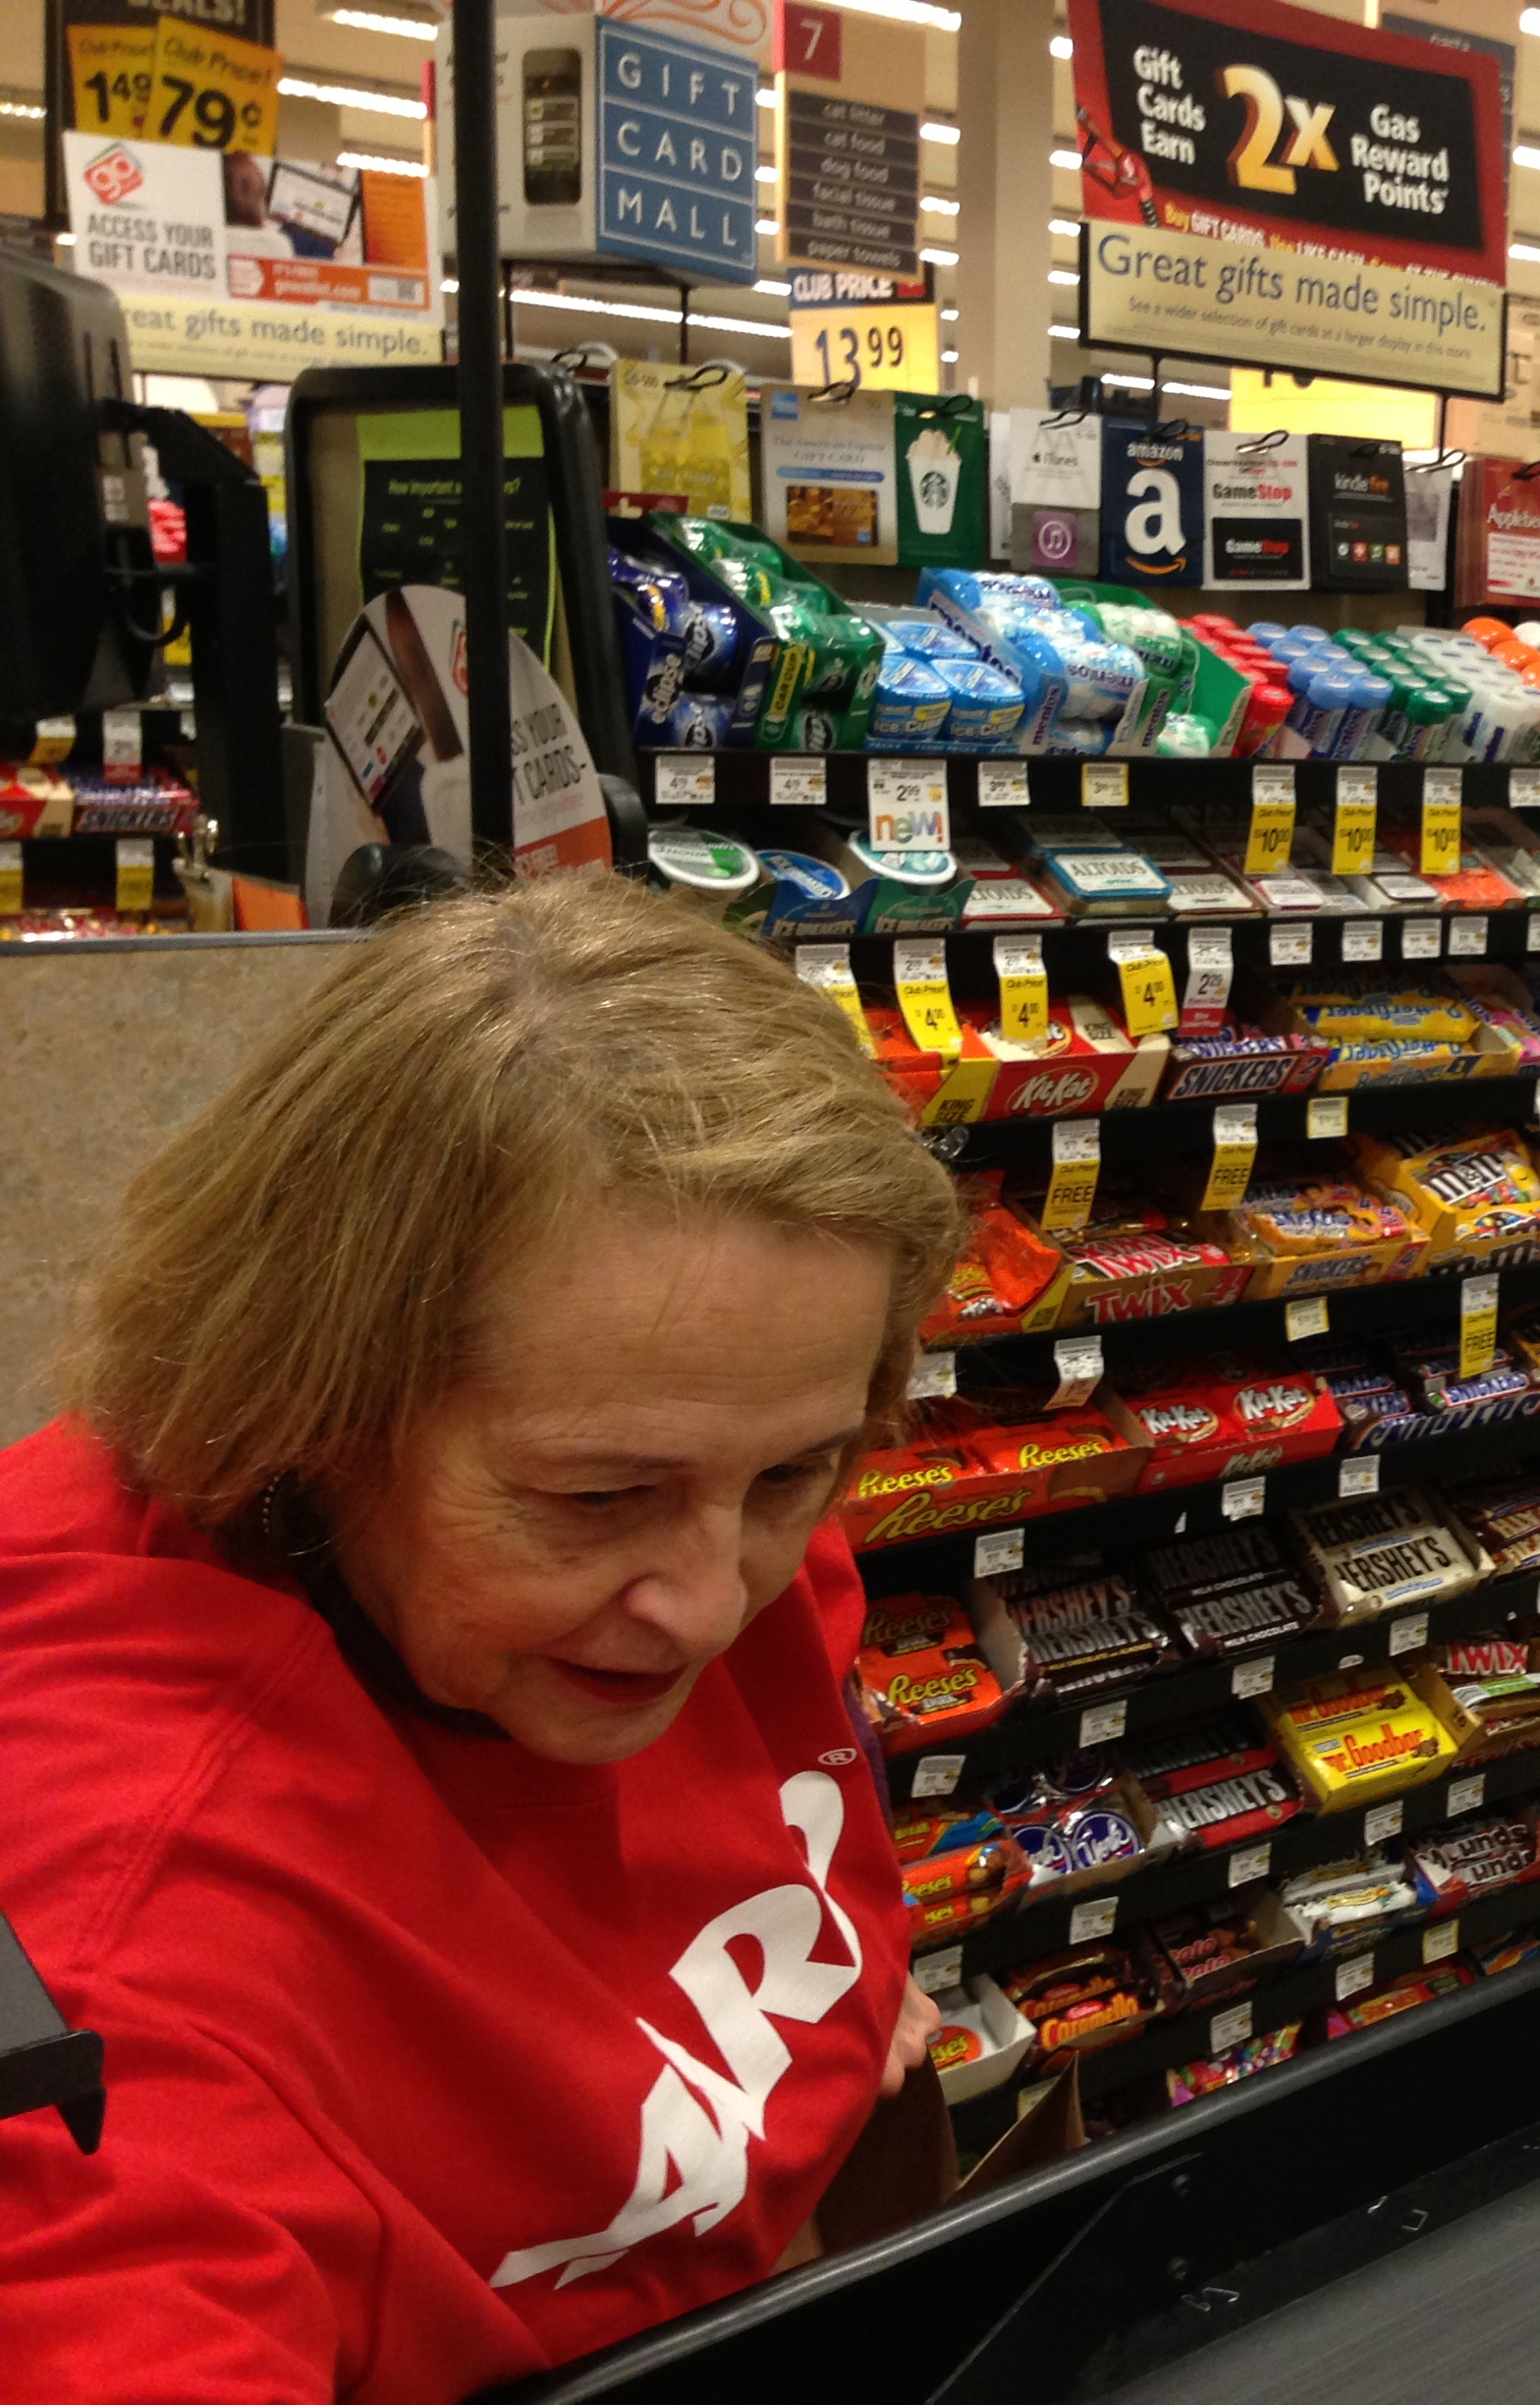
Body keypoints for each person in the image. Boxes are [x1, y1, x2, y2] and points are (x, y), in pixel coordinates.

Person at [0, 877, 966, 2398]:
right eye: (596, 1498)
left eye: (796, 1475)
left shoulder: (679, 1454)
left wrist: (827, 2010)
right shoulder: (120, 1911)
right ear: (307, 1407)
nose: (714, 1602)